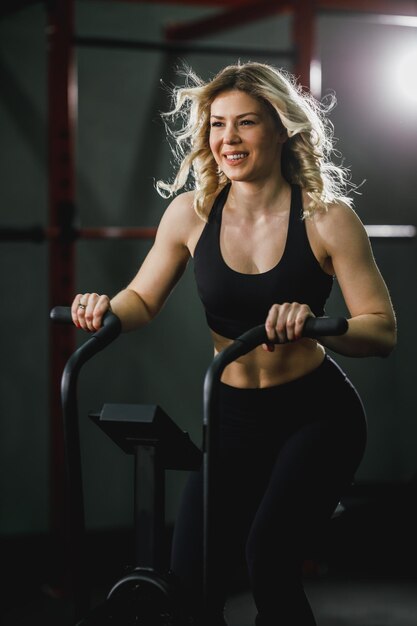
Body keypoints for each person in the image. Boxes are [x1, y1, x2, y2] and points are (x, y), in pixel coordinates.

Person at [71, 62, 396, 626]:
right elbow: (141, 300)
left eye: (245, 123)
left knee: (268, 561)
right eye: (218, 124)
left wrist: (320, 324)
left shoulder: (326, 219)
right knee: (191, 584)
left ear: (280, 129)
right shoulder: (191, 214)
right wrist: (104, 310)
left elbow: (381, 329)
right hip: (230, 416)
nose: (228, 139)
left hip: (316, 415)